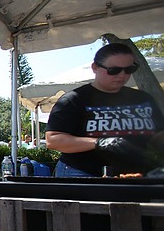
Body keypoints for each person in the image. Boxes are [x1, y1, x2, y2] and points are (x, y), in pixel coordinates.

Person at [46, 43, 164, 177]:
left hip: (136, 173)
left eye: (129, 69)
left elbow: (158, 134)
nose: (122, 75)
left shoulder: (143, 98)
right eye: (114, 70)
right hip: (83, 172)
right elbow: (53, 140)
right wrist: (99, 142)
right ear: (95, 67)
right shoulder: (74, 100)